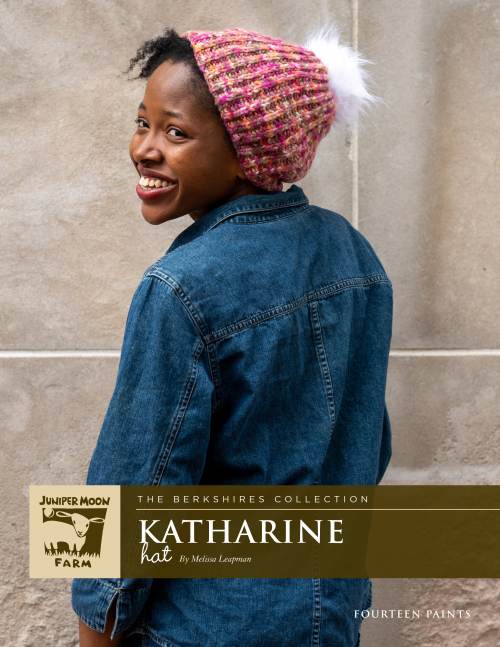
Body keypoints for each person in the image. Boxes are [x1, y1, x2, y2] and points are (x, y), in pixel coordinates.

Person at [71, 25, 393, 647]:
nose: (144, 149)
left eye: (176, 132)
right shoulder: (354, 254)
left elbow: (133, 484)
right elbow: (367, 444)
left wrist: (97, 621)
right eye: (142, 123)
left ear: (251, 151)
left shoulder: (180, 285)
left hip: (202, 626)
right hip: (329, 616)